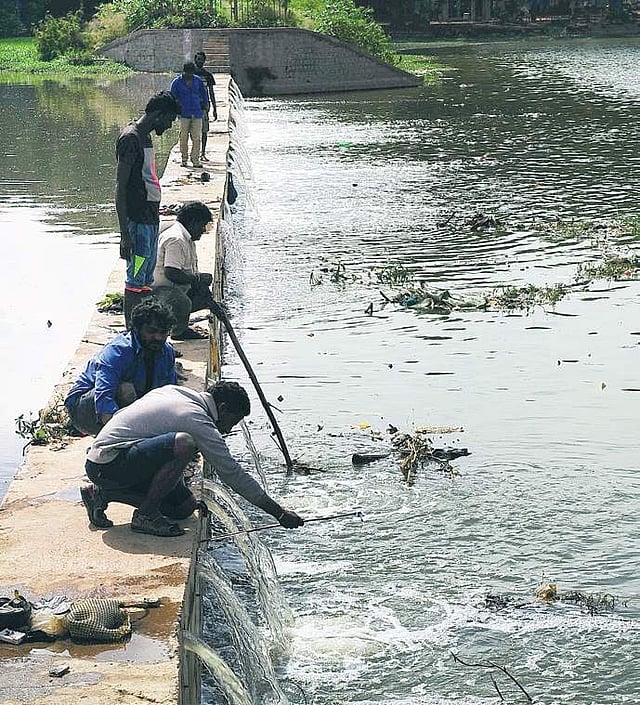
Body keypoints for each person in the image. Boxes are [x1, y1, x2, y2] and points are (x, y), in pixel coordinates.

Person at [80, 381, 305, 537]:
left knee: (183, 508)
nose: (227, 430)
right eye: (231, 422)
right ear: (222, 408)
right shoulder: (197, 420)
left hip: (113, 461)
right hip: (107, 464)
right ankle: (145, 516)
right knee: (184, 444)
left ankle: (102, 494)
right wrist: (278, 513)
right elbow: (232, 473)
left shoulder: (178, 392)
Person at [65, 299, 177, 436]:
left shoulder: (166, 352)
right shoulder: (117, 352)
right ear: (137, 329)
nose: (158, 337)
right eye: (151, 331)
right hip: (85, 410)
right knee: (125, 390)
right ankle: (116, 440)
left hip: (128, 408)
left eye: (163, 332)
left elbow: (170, 394)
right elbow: (104, 401)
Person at [116, 91, 180, 328]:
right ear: (159, 114)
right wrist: (125, 234)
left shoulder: (145, 138)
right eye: (169, 119)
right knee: (136, 279)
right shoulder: (130, 139)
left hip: (150, 221)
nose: (169, 125)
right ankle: (131, 331)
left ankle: (142, 330)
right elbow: (120, 187)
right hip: (138, 224)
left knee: (145, 278)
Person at [152, 201, 216, 341]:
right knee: (182, 302)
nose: (203, 230)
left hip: (174, 288)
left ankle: (179, 321)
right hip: (159, 291)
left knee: (204, 296)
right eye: (202, 226)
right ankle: (178, 331)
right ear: (193, 222)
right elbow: (171, 272)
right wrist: (197, 278)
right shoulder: (176, 239)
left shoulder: (186, 237)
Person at [170, 62, 209, 169]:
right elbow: (172, 97)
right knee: (183, 137)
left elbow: (204, 94)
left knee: (196, 137)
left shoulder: (198, 81)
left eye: (191, 73)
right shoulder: (177, 82)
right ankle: (184, 159)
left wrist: (206, 105)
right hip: (184, 113)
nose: (189, 75)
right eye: (188, 73)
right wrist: (175, 110)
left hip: (197, 112)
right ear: (184, 71)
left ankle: (195, 159)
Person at [193, 51, 217, 162]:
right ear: (195, 60)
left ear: (204, 61)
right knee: (193, 132)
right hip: (192, 107)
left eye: (202, 59)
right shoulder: (190, 74)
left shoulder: (208, 75)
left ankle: (202, 153)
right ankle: (195, 152)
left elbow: (211, 93)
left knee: (204, 131)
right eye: (198, 59)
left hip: (203, 107)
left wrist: (215, 108)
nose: (200, 61)